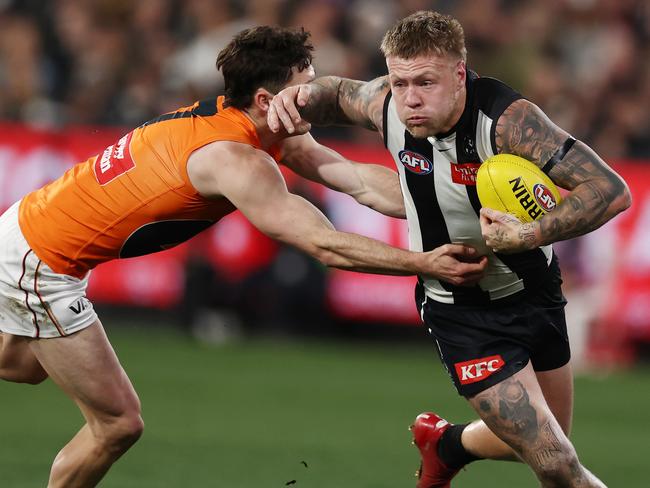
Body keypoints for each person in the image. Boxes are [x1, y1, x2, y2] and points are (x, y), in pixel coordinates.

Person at [0, 25, 489, 488]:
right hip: (41, 265)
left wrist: (460, 204)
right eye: (307, 88)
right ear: (265, 99)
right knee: (117, 423)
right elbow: (324, 244)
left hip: (26, 229)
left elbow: (355, 179)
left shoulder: (258, 123)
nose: (316, 97)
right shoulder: (232, 158)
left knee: (28, 365)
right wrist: (425, 263)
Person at [268, 10, 631, 488]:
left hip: (536, 291)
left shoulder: (507, 122)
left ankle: (445, 445)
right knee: (555, 460)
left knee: (551, 441)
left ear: (459, 74)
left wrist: (528, 235)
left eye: (426, 82)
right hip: (462, 312)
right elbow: (336, 93)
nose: (411, 99)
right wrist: (293, 99)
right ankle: (451, 446)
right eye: (400, 83)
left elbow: (611, 189)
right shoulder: (387, 104)